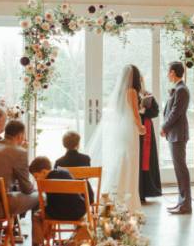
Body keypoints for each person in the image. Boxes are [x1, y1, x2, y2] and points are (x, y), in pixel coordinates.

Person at [87, 65, 146, 212]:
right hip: (130, 130)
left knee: (122, 161)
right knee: (130, 162)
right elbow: (135, 113)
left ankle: (116, 195)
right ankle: (127, 198)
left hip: (122, 131)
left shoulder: (120, 92)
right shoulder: (131, 91)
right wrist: (141, 127)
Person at [29, 157, 89, 246]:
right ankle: (53, 237)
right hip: (78, 212)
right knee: (48, 210)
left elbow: (52, 204)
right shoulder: (65, 172)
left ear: (43, 172)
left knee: (37, 215)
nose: (36, 180)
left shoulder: (47, 182)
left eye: (36, 176)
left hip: (58, 213)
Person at [161, 61, 191, 215]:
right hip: (174, 134)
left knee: (181, 170)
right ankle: (181, 202)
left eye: (168, 71)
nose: (167, 74)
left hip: (178, 134)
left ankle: (186, 204)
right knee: (179, 170)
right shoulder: (178, 89)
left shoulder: (181, 90)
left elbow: (175, 112)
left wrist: (164, 127)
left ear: (173, 72)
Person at [139, 75, 162, 203]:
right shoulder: (132, 94)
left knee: (147, 160)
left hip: (147, 128)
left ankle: (147, 190)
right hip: (136, 129)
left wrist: (143, 111)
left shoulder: (148, 95)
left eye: (141, 81)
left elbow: (156, 112)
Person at [55, 131, 95, 204]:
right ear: (78, 144)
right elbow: (87, 177)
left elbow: (56, 180)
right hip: (85, 196)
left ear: (64, 145)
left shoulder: (58, 162)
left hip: (64, 198)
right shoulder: (85, 158)